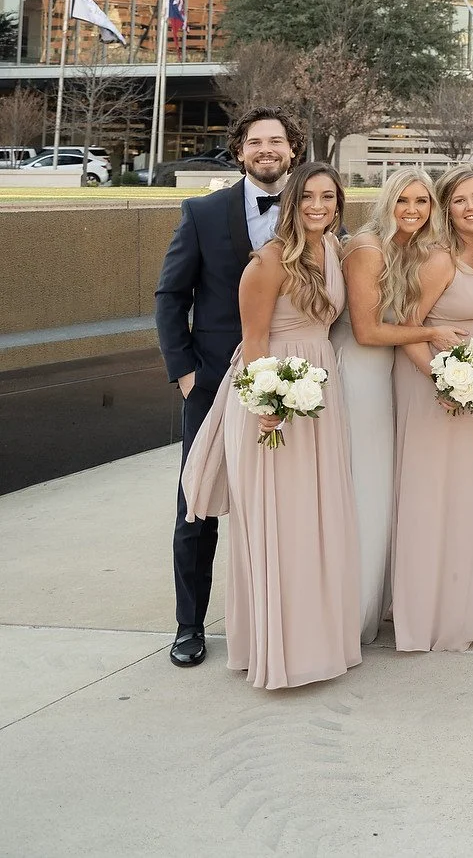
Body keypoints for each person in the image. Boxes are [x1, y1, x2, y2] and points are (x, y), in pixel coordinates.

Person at [179, 164, 360, 690]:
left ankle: (320, 641)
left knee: (316, 518)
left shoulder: (332, 251)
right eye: (309, 197)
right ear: (292, 202)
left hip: (320, 393)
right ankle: (278, 650)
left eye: (329, 197)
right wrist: (265, 400)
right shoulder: (269, 261)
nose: (319, 206)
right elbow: (253, 340)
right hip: (274, 394)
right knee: (280, 523)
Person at [154, 105, 302, 670]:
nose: (268, 151)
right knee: (199, 503)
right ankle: (189, 625)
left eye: (278, 142)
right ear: (240, 150)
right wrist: (185, 371)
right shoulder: (201, 212)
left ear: (292, 150)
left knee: (284, 503)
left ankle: (279, 617)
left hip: (294, 383)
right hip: (214, 381)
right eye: (257, 142)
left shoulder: (314, 210)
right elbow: (172, 297)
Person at [335, 169, 468, 644]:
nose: (413, 210)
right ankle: (347, 616)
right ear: (387, 202)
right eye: (403, 201)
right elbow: (368, 330)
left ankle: (373, 602)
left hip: (384, 373)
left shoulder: (410, 249)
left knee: (379, 488)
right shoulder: (368, 249)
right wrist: (432, 334)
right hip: (358, 372)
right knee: (365, 488)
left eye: (423, 202)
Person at [391, 164, 473, 652]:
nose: (471, 207)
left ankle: (465, 599)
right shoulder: (440, 259)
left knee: (470, 495)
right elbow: (407, 328)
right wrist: (443, 381)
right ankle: (430, 614)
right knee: (436, 495)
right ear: (445, 208)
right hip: (441, 388)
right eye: (459, 200)